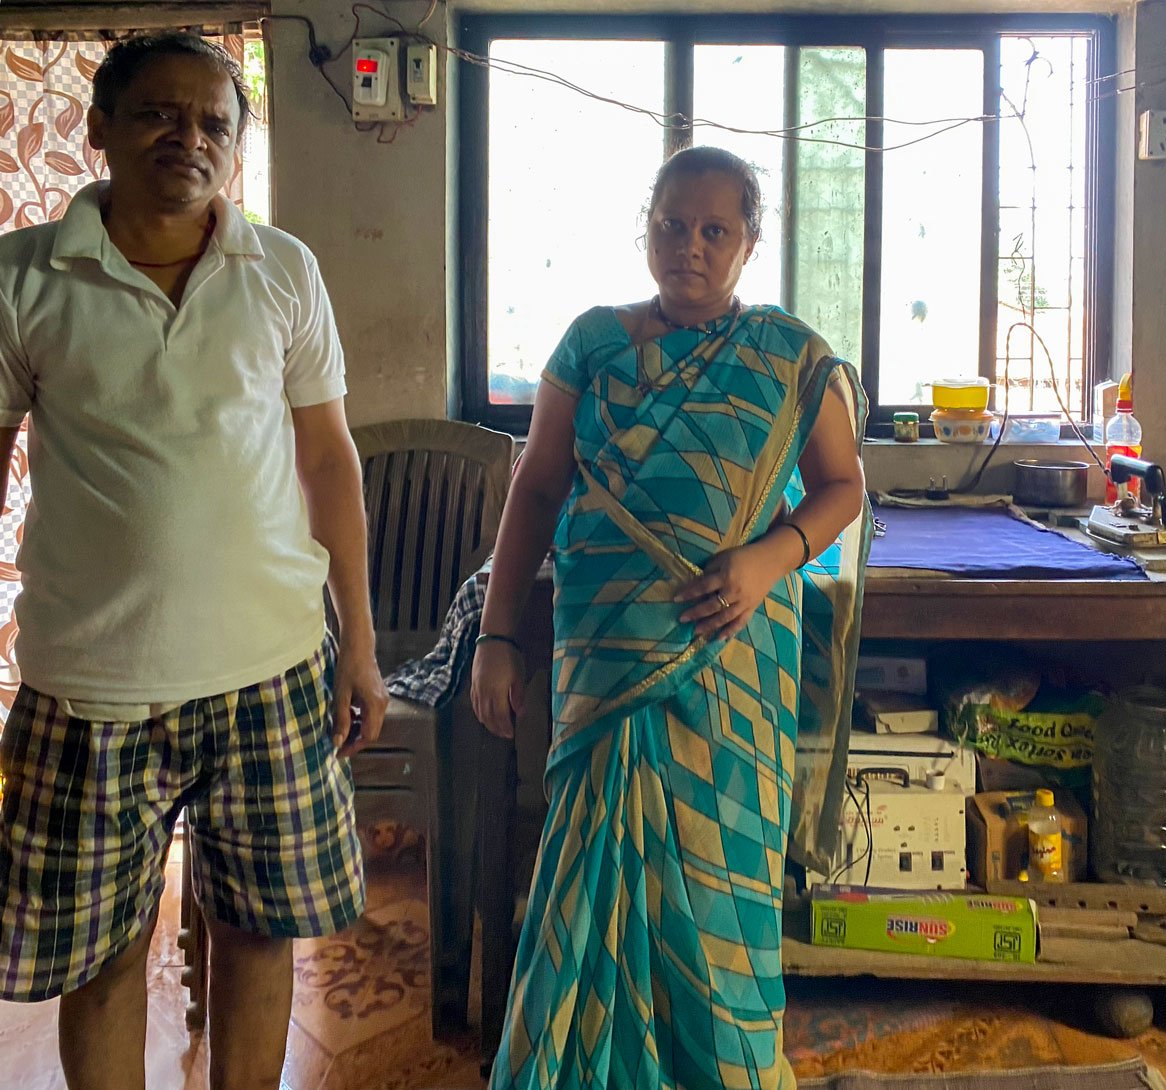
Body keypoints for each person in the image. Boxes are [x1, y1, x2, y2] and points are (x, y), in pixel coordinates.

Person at [0, 33, 386, 1090]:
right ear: (100, 128)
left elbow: (328, 460)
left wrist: (358, 644)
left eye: (215, 121)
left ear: (237, 144)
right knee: (102, 957)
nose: (190, 138)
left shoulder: (283, 270)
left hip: (271, 669)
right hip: (92, 686)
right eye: (159, 114)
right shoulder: (22, 278)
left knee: (259, 933)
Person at [471, 145, 871, 1090]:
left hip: (733, 656)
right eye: (671, 225)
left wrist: (769, 559)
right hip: (607, 653)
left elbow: (844, 487)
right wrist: (495, 635)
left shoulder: (789, 356)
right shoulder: (591, 344)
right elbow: (537, 489)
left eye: (714, 230)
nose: (689, 246)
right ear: (645, 229)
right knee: (588, 876)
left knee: (719, 883)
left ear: (750, 242)